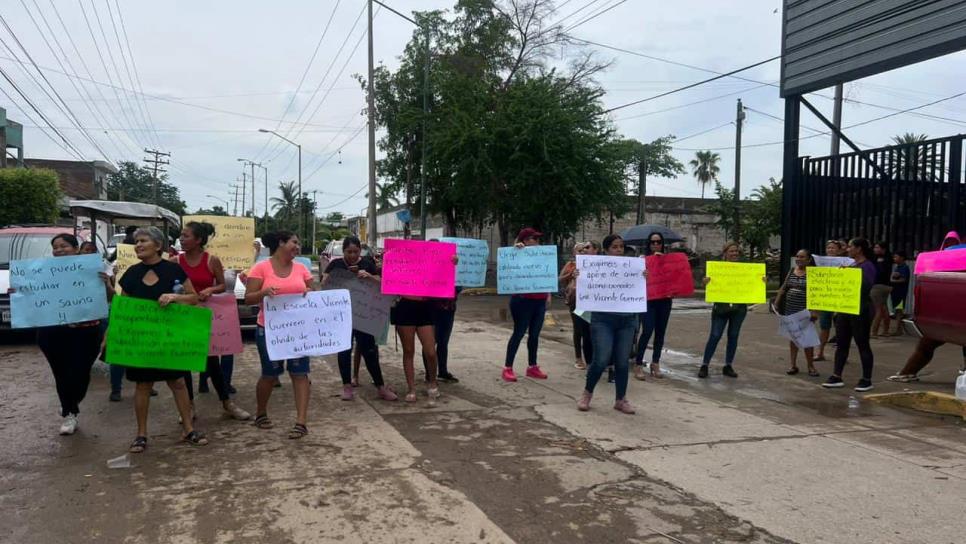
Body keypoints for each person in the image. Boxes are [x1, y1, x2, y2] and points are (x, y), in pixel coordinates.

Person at [116, 227, 208, 453]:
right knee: (143, 385)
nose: (138, 245)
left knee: (177, 383)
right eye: (136, 241)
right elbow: (123, 308)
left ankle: (188, 429)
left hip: (170, 339)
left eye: (143, 241)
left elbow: (194, 298)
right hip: (142, 341)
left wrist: (175, 297)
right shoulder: (131, 274)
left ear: (158, 246)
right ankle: (141, 434)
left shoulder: (173, 270)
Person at [30, 234, 112, 435]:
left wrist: (106, 284)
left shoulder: (94, 268)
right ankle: (69, 413)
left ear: (76, 248)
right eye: (55, 247)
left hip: (87, 331)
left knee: (81, 372)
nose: (59, 250)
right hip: (52, 331)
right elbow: (32, 296)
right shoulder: (42, 271)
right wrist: (20, 291)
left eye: (63, 246)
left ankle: (71, 400)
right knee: (61, 373)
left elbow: (109, 298)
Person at [175, 221, 250, 421]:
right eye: (181, 236)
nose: (181, 239)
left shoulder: (211, 260)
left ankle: (227, 403)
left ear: (199, 240)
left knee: (212, 362)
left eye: (186, 236)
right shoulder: (175, 261)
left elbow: (222, 285)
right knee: (185, 363)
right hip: (182, 318)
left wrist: (210, 290)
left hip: (206, 317)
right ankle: (188, 407)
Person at [245, 231, 314, 439]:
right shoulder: (260, 268)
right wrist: (263, 294)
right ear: (281, 243)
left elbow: (311, 290)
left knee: (300, 374)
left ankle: (301, 422)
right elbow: (248, 298)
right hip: (269, 330)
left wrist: (310, 293)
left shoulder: (302, 268)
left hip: (298, 331)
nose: (298, 246)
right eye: (294, 242)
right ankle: (261, 413)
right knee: (270, 374)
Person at [322, 236, 397, 402]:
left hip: (364, 315)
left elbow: (383, 283)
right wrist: (338, 277)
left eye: (356, 251)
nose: (352, 255)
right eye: (349, 252)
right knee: (344, 351)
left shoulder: (368, 263)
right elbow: (324, 283)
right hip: (343, 316)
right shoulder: (336, 265)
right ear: (343, 252)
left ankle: (380, 387)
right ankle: (347, 387)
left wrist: (369, 276)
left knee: (369, 351)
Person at [576, 234, 643, 414]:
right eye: (614, 247)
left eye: (621, 247)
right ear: (606, 250)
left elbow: (639, 289)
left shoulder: (631, 268)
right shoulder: (596, 268)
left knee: (622, 361)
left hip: (626, 320)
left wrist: (644, 275)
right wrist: (578, 276)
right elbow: (584, 286)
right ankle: (587, 393)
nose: (619, 250)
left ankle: (621, 399)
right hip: (602, 320)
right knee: (601, 359)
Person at [389, 242, 453, 403]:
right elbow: (392, 276)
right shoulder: (408, 262)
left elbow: (446, 278)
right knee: (408, 350)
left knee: (431, 351)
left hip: (425, 309)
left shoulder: (437, 267)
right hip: (405, 309)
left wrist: (452, 262)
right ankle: (411, 389)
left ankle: (432, 381)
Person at [698, 242, 762, 379]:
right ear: (725, 253)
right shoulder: (717, 269)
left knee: (733, 336)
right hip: (721, 308)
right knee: (715, 335)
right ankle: (705, 364)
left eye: (736, 252)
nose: (734, 254)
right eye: (732, 251)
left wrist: (761, 282)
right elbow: (706, 284)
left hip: (739, 309)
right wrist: (705, 282)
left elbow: (753, 285)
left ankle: (728, 365)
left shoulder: (745, 270)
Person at [822, 238, 877, 391]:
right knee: (841, 344)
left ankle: (866, 379)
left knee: (862, 344)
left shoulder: (867, 266)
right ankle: (836, 375)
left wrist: (849, 275)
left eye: (851, 246)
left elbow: (866, 286)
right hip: (844, 309)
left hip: (860, 309)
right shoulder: (850, 265)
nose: (848, 249)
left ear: (859, 249)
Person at [503, 228, 550, 382]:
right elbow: (508, 267)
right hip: (522, 300)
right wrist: (516, 250)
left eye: (537, 239)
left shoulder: (543, 256)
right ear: (523, 241)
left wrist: (548, 294)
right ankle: (508, 367)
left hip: (539, 300)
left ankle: (532, 366)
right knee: (519, 332)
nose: (536, 242)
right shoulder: (517, 253)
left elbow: (546, 274)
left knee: (535, 335)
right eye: (532, 238)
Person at [633, 232, 673, 380]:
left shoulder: (668, 260)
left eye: (658, 242)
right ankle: (638, 363)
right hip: (648, 300)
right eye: (652, 242)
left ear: (662, 244)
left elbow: (675, 277)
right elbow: (635, 278)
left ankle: (655, 363)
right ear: (648, 244)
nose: (656, 245)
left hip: (664, 299)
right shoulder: (642, 260)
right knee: (647, 330)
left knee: (660, 332)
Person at [776, 249, 819, 376]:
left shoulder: (814, 274)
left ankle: (811, 366)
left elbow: (817, 294)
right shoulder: (791, 271)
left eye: (802, 257)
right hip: (790, 310)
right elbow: (784, 287)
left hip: (805, 312)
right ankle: (793, 365)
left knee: (807, 339)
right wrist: (777, 302)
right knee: (793, 338)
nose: (799, 259)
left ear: (809, 259)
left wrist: (815, 311)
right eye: (797, 256)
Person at [560, 241, 593, 370]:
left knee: (589, 330)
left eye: (585, 249)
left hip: (590, 301)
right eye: (579, 250)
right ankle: (578, 358)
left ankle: (590, 358)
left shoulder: (592, 264)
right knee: (578, 329)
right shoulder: (570, 265)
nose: (582, 252)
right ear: (574, 253)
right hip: (575, 301)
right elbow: (560, 278)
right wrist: (571, 274)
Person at [815, 240, 843, 361]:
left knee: (841, 328)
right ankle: (820, 352)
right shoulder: (821, 263)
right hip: (825, 299)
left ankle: (842, 354)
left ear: (839, 250)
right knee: (824, 327)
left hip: (840, 298)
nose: (831, 250)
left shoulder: (845, 263)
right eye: (829, 248)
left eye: (833, 248)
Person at [869, 241, 893, 338]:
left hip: (878, 286)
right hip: (887, 286)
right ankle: (885, 331)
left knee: (877, 309)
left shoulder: (881, 260)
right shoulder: (889, 258)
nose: (875, 249)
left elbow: (878, 273)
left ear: (883, 249)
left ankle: (874, 332)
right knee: (884, 308)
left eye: (877, 247)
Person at [887, 250, 910, 336]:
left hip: (901, 293)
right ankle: (899, 329)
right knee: (897, 311)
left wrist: (892, 281)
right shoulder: (897, 267)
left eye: (896, 257)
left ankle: (898, 330)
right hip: (895, 292)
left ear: (902, 258)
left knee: (899, 311)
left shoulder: (904, 268)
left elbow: (903, 280)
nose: (894, 259)